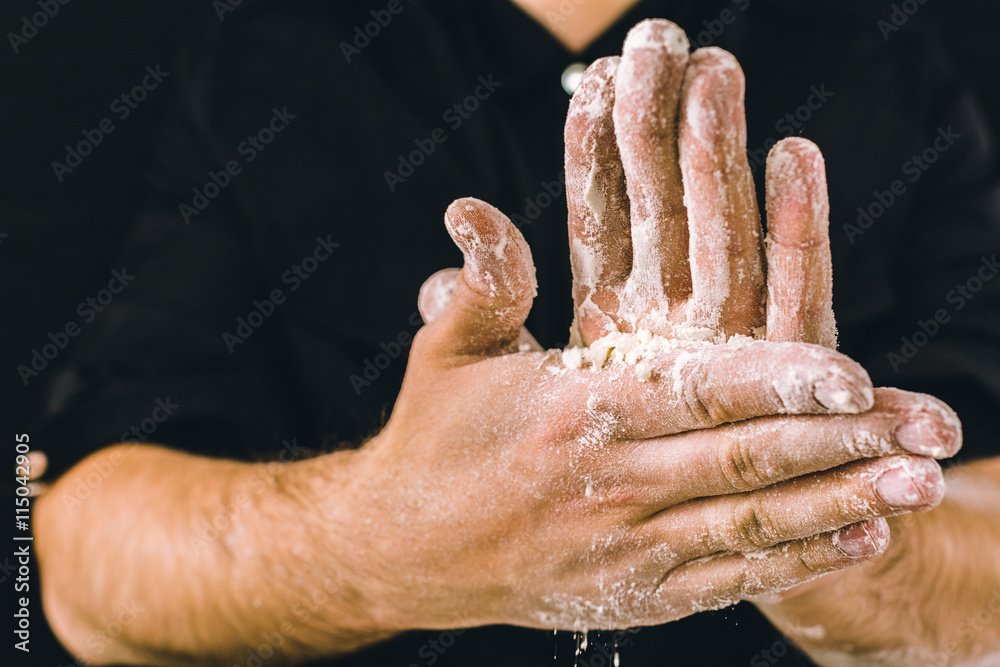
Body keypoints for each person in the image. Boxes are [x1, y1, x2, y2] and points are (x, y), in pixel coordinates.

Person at [30, 1, 1000, 665]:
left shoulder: (898, 48)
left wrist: (817, 534)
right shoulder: (267, 58)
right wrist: (377, 539)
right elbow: (78, 558)